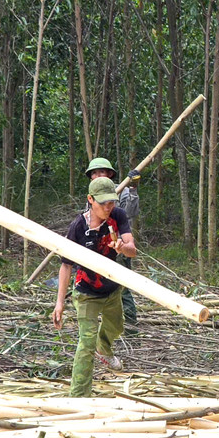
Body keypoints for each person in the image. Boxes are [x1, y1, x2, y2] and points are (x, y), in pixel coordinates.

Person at [54, 176, 138, 397]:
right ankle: (79, 395)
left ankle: (105, 346)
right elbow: (65, 266)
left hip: (111, 288)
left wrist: (122, 248)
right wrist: (59, 303)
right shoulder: (78, 227)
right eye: (103, 204)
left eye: (111, 202)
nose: (108, 208)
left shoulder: (118, 216)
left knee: (117, 326)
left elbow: (132, 249)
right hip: (86, 292)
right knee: (86, 344)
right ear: (90, 200)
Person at [86, 157, 141, 333]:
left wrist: (132, 189)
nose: (97, 175)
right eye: (94, 173)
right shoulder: (91, 196)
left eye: (101, 172)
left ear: (110, 174)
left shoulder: (121, 192)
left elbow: (130, 213)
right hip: (97, 248)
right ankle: (105, 328)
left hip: (118, 246)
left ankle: (131, 328)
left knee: (122, 288)